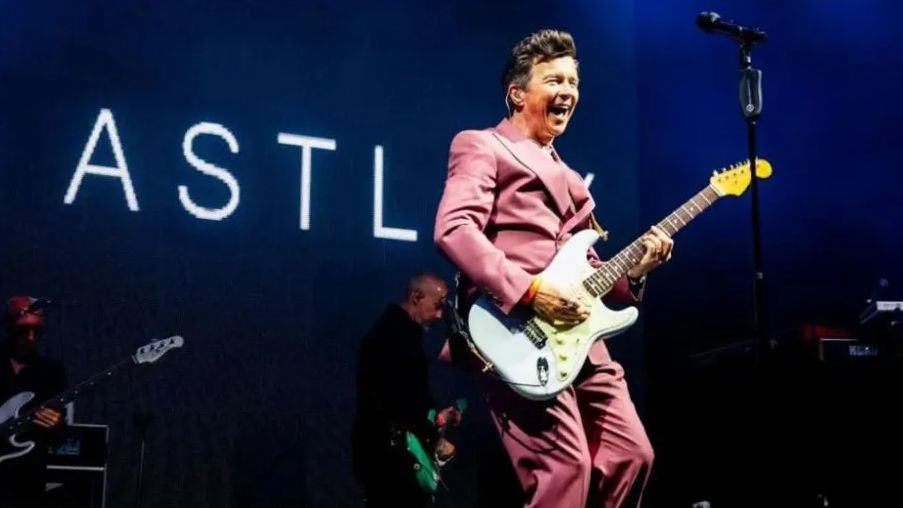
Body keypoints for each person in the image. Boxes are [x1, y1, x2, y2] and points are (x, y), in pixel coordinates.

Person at [433, 30, 674, 508]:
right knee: (565, 470)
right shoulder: (483, 146)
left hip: (581, 339)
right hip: (518, 332)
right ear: (517, 93)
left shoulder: (574, 183)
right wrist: (528, 292)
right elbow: (455, 229)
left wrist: (636, 272)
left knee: (632, 455)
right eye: (554, 80)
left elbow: (589, 270)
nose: (568, 91)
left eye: (574, 81)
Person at [352, 273, 462, 508]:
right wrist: (434, 438)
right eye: (438, 305)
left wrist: (436, 416)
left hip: (380, 454)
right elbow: (401, 400)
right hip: (392, 459)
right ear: (416, 297)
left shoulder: (390, 332)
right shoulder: (398, 338)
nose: (440, 315)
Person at [0, 296, 68, 507]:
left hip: (27, 479)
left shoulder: (52, 372)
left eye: (36, 331)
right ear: (9, 327)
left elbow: (58, 439)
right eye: (23, 330)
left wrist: (56, 426)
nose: (30, 337)